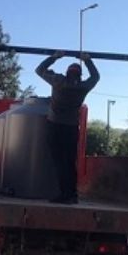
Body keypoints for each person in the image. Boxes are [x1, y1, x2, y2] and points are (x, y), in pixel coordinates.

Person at [36, 50, 100, 204]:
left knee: (59, 161)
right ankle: (71, 194)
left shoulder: (58, 81)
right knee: (69, 162)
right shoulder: (83, 87)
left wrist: (55, 57)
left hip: (55, 126)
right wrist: (87, 60)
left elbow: (39, 70)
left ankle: (64, 194)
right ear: (79, 75)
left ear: (67, 73)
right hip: (71, 128)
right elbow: (96, 77)